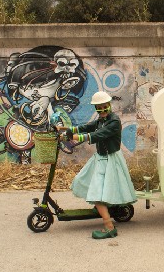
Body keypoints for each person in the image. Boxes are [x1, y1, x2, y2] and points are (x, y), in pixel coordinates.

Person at [57, 91, 136, 239]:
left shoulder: (113, 121)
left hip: (109, 159)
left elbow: (98, 134)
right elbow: (89, 126)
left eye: (104, 106)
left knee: (97, 193)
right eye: (98, 107)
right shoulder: (101, 120)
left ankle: (109, 227)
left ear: (109, 105)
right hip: (100, 157)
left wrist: (74, 136)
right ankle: (101, 208)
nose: (101, 109)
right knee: (83, 180)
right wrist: (70, 129)